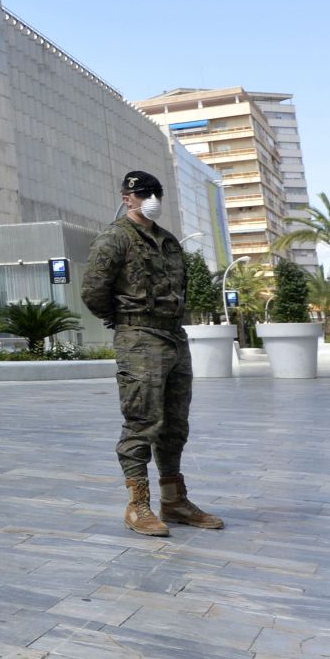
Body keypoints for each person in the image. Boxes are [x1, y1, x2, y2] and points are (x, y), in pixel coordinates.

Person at [81, 170, 224, 536]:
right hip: (139, 336)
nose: (149, 199)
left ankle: (174, 501)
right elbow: (93, 291)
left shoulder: (169, 241)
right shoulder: (115, 238)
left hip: (173, 336)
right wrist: (124, 321)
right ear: (127, 198)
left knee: (175, 424)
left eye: (154, 192)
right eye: (142, 193)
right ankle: (137, 506)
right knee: (142, 422)